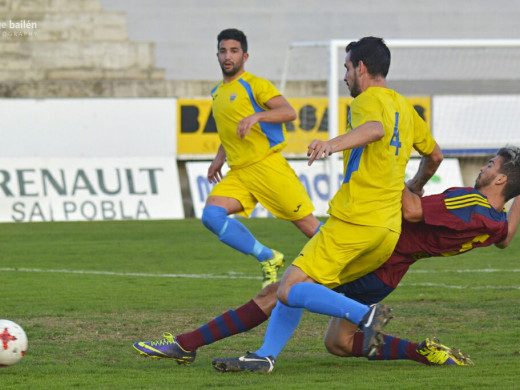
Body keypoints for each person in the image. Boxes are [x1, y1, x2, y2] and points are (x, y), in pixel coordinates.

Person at [132, 36, 443, 365]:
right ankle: (232, 351)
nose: (345, 76)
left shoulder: (367, 99)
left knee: (288, 288)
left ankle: (365, 316)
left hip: (355, 221)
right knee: (281, 292)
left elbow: (376, 128)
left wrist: (332, 144)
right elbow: (434, 155)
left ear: (362, 68)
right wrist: (415, 185)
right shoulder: (406, 108)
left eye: (347, 68)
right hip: (386, 230)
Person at [131, 146, 520, 369]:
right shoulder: (497, 223)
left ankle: (188, 344)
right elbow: (507, 238)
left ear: (500, 179)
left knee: (280, 290)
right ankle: (421, 351)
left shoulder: (469, 201)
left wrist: (386, 167)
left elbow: (413, 211)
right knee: (338, 343)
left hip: (373, 254)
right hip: (389, 271)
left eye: (490, 165)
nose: (483, 168)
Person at [200, 28, 322, 288]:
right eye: (223, 51)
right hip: (240, 173)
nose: (227, 56)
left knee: (309, 227)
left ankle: (356, 266)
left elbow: (288, 112)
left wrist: (257, 116)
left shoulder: (255, 85)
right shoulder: (217, 92)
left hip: (268, 168)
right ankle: (268, 257)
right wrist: (218, 158)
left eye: (233, 51)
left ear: (245, 55)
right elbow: (230, 129)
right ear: (217, 55)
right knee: (212, 216)